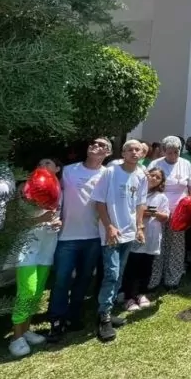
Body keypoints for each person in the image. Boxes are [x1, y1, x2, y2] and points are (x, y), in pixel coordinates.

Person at [47, 137, 112, 342]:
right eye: (94, 143)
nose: (97, 146)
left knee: (84, 279)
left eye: (103, 145)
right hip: (67, 236)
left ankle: (74, 315)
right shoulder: (69, 171)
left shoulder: (108, 174)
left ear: (108, 153)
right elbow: (54, 195)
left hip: (93, 236)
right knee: (61, 280)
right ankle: (57, 320)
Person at [92, 139, 148, 342]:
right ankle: (104, 316)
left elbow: (141, 203)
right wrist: (108, 226)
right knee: (112, 273)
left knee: (120, 272)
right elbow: (99, 202)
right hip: (112, 233)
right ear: (123, 153)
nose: (134, 152)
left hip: (129, 232)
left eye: (138, 150)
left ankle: (107, 310)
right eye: (130, 149)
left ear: (142, 154)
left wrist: (140, 227)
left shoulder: (141, 175)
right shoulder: (110, 172)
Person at [5, 160, 62, 357]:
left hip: (46, 246)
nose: (44, 164)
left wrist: (56, 223)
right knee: (27, 290)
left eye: (50, 163)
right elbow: (12, 222)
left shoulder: (56, 190)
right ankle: (15, 337)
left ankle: (26, 330)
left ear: (57, 170)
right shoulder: (23, 189)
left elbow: (53, 217)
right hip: (26, 248)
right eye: (41, 162)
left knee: (37, 292)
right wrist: (40, 219)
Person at [147, 136, 191, 291]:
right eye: (169, 152)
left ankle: (172, 279)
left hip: (179, 214)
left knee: (176, 246)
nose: (173, 155)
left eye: (176, 152)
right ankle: (154, 279)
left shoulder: (186, 164)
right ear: (164, 151)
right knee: (157, 244)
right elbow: (147, 186)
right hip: (157, 212)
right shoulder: (156, 164)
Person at [121, 167, 169, 311]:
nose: (153, 179)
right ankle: (129, 297)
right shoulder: (135, 192)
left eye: (158, 177)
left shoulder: (161, 197)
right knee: (131, 267)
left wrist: (152, 213)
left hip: (152, 236)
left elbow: (165, 216)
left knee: (146, 267)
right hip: (135, 234)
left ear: (161, 182)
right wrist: (144, 212)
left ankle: (142, 293)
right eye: (152, 175)